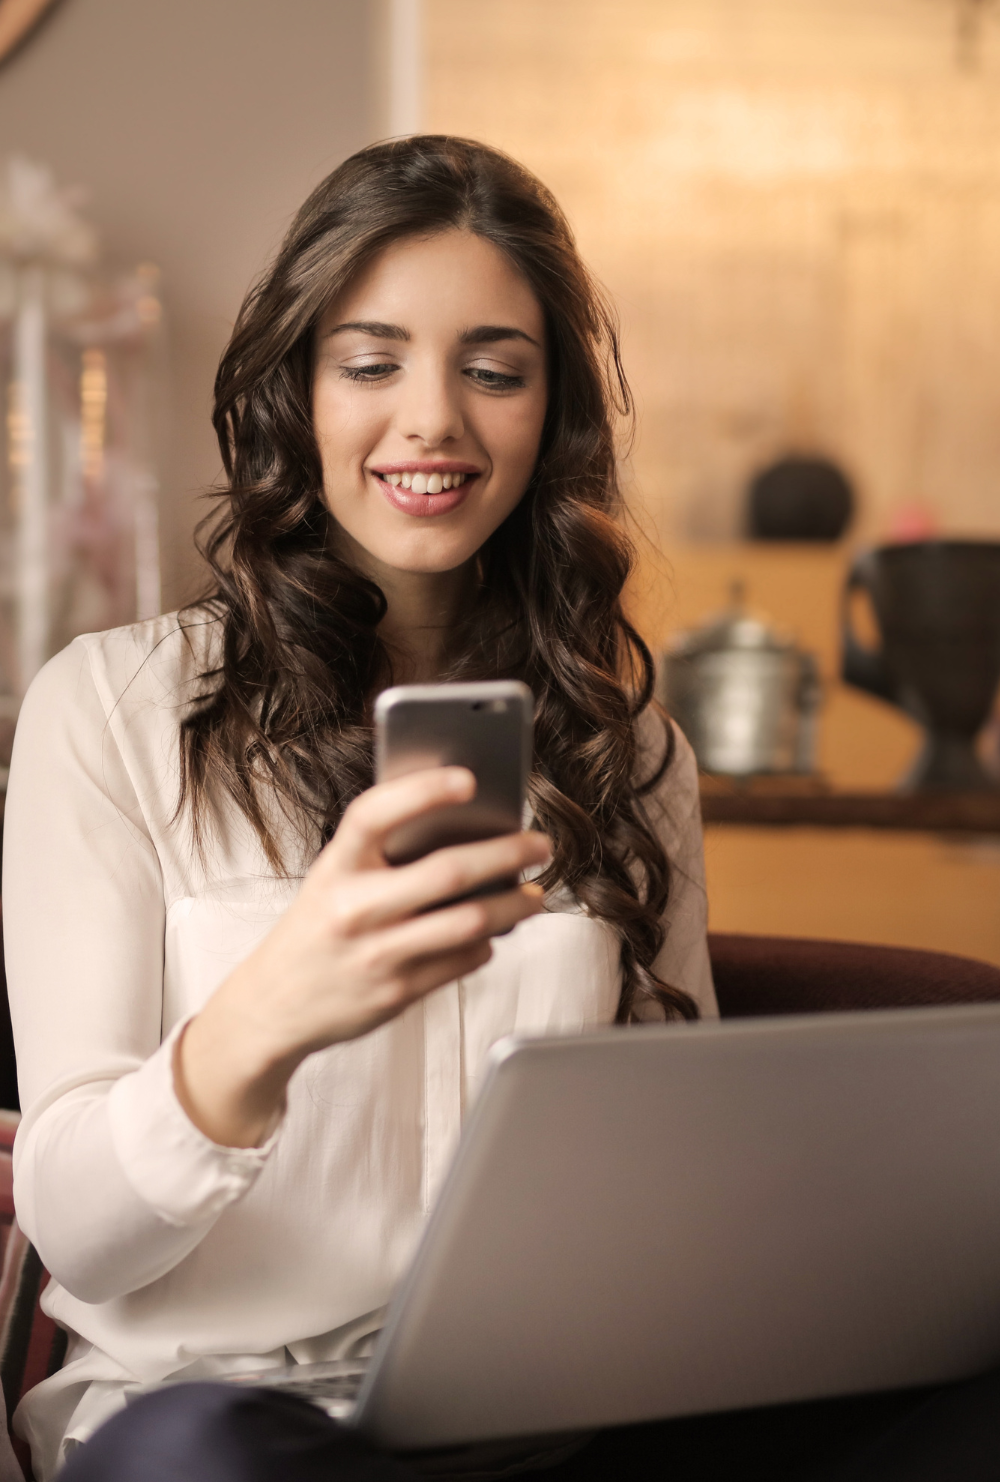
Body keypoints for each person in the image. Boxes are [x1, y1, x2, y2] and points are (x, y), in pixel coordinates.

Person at [2, 136, 716, 1480]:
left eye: (493, 370)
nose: (434, 420)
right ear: (296, 393)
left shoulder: (633, 754)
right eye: (372, 362)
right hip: (214, 1412)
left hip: (531, 1405)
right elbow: (77, 1229)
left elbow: (677, 1173)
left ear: (549, 413)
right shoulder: (110, 711)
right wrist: (275, 1012)